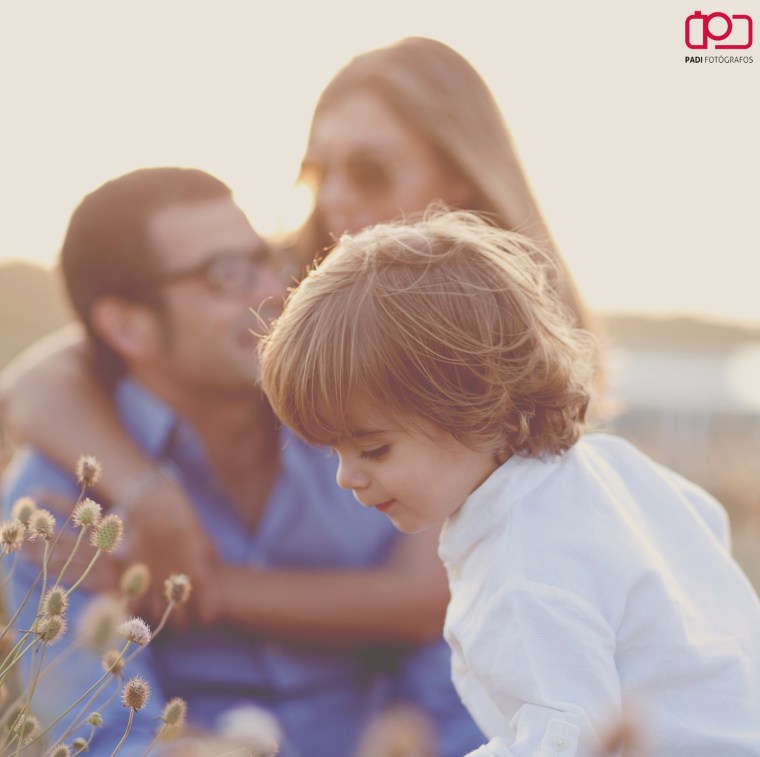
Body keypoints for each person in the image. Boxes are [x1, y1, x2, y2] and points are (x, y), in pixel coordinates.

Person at [0, 168, 501, 757]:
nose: (273, 287)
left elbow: (451, 617)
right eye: (223, 275)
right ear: (126, 321)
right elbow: (99, 731)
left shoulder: (360, 423)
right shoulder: (56, 504)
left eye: (264, 257)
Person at [258, 208, 760, 757]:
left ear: (475, 400)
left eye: (374, 447)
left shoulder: (521, 561)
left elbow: (570, 730)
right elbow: (701, 521)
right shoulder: (594, 466)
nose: (349, 477)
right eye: (334, 452)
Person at [0, 37, 590, 621]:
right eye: (320, 169)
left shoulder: (514, 340)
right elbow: (44, 378)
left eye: (369, 172)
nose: (334, 197)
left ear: (461, 174)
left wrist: (176, 583)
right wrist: (149, 495)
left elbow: (426, 595)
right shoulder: (295, 280)